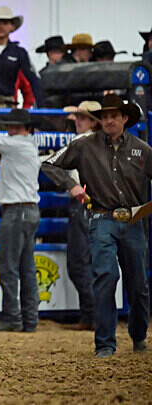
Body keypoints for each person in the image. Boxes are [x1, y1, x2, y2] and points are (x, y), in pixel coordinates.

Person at [42, 94, 150, 358]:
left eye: (114, 116)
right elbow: (49, 164)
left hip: (134, 220)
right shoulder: (85, 145)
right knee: (105, 277)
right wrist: (72, 185)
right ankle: (105, 344)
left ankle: (138, 336)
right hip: (101, 219)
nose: (109, 120)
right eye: (104, 116)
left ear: (125, 119)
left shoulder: (141, 149)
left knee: (138, 285)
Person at [0, 109, 41, 332]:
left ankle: (12, 317)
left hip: (16, 212)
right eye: (11, 125)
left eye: (16, 126)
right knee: (26, 268)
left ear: (26, 129)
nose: (12, 129)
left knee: (9, 267)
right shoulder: (26, 145)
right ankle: (29, 319)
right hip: (28, 211)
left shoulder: (17, 145)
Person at [58, 101, 101, 330]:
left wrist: (72, 184)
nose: (78, 122)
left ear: (92, 122)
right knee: (94, 262)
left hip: (82, 205)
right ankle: (96, 315)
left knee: (78, 264)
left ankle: (91, 315)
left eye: (83, 118)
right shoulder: (104, 143)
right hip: (99, 207)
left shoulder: (79, 142)